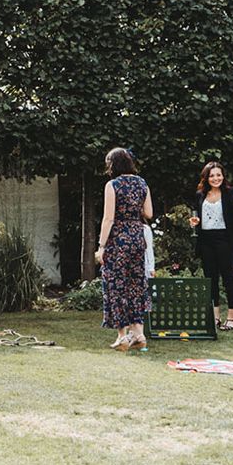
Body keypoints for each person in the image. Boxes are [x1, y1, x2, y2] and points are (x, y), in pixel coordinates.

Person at [95, 147, 154, 351]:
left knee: (116, 285)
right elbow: (148, 212)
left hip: (118, 240)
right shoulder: (142, 183)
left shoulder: (112, 185)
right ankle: (139, 334)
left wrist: (101, 247)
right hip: (137, 238)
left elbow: (108, 218)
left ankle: (122, 336)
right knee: (136, 284)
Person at [188, 160, 233, 331]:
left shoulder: (230, 193)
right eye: (212, 175)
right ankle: (215, 317)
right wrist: (195, 221)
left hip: (225, 239)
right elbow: (198, 214)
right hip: (206, 239)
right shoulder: (201, 194)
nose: (216, 178)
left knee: (228, 277)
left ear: (223, 176)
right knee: (211, 279)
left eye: (218, 175)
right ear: (206, 178)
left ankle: (232, 317)